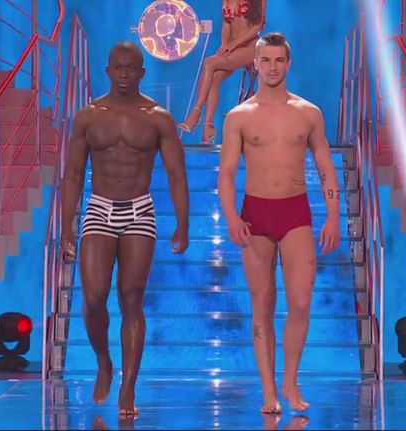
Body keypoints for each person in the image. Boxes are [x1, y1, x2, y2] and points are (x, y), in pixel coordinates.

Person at [60, 41, 190, 417]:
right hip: (99, 209)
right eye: (117, 67)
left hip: (139, 211)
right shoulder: (88, 116)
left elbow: (176, 175)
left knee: (131, 297)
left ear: (142, 72)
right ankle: (104, 362)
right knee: (94, 297)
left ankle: (128, 387)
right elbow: (73, 174)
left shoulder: (157, 117)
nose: (123, 74)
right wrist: (67, 224)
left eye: (131, 68)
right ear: (107, 70)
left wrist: (183, 223)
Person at [218, 32, 341, 414]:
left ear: (288, 64)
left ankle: (290, 380)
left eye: (279, 60)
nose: (272, 67)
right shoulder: (239, 116)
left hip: (295, 213)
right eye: (266, 60)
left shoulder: (308, 113)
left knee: (301, 302)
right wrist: (231, 217)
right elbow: (226, 173)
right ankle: (269, 390)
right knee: (263, 305)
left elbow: (325, 166)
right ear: (255, 64)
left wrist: (333, 215)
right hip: (255, 215)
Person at [177, 0, 267, 145]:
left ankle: (196, 112)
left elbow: (257, 26)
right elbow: (226, 25)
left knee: (209, 63)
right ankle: (208, 128)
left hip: (251, 48)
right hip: (233, 48)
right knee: (214, 77)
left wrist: (233, 45)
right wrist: (225, 45)